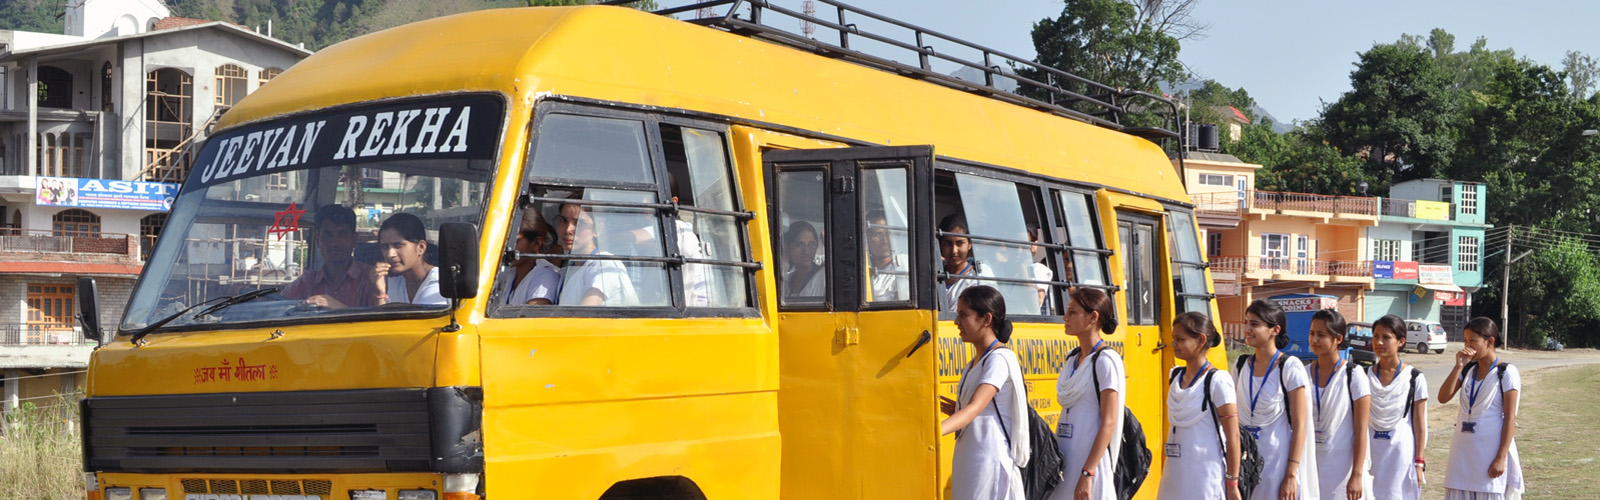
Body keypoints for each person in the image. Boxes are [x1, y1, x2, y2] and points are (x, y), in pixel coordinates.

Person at [939, 285, 1029, 500]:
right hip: (970, 458)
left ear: (986, 319)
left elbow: (974, 408)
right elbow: (976, 410)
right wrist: (957, 410)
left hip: (988, 459)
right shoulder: (974, 362)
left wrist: (931, 432)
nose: (956, 322)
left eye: (964, 315)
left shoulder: (999, 359)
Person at [1234, 299, 1318, 500]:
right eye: (1246, 323)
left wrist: (1291, 475)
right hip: (1245, 463)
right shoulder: (1240, 365)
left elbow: (1300, 426)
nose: (1247, 329)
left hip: (1277, 464)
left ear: (1275, 329)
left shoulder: (1290, 367)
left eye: (1255, 324)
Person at [1158, 311, 1243, 500]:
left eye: (1180, 339)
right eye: (1173, 338)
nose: (1173, 344)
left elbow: (1233, 436)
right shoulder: (1175, 376)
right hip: (1174, 476)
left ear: (1201, 340)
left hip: (1206, 478)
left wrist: (1232, 483)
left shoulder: (1218, 381)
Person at [1049, 287, 1123, 500]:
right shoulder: (1072, 359)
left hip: (1089, 466)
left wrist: (1088, 472)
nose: (1065, 318)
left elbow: (1108, 422)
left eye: (1072, 312)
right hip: (1065, 463)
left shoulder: (1105, 361)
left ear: (1093, 317)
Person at [1438, 317, 1523, 500]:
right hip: (1462, 454)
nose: (1467, 346)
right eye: (1465, 340)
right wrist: (1459, 366)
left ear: (1490, 341)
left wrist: (1501, 458)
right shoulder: (1468, 370)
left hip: (1489, 453)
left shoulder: (1506, 372)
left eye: (1473, 341)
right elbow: (1443, 398)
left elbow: (1510, 419)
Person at [1307, 309, 1370, 500]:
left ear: (1338, 338)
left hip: (1342, 469)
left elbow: (1361, 430)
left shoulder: (1353, 375)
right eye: (1312, 334)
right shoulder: (1302, 373)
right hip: (1310, 466)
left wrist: (1357, 475)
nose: (1315, 340)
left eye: (1321, 335)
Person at [1367, 314, 1429, 500]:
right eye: (1376, 336)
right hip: (1370, 454)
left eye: (1386, 337)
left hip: (1401, 454)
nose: (1379, 342)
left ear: (1401, 341)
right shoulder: (1362, 376)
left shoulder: (1414, 378)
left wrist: (1419, 463)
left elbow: (1419, 424)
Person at [283, 204, 378, 308]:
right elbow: (277, 307)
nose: (334, 243)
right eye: (328, 235)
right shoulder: (307, 282)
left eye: (342, 234)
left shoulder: (372, 279)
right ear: (317, 241)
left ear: (354, 240)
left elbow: (381, 321)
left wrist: (339, 309)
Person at [556, 196, 640, 306]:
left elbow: (584, 317)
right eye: (564, 220)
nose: (568, 230)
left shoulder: (604, 265)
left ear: (597, 230)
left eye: (579, 223)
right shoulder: (567, 271)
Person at [373, 212, 446, 306]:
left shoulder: (442, 283)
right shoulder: (393, 285)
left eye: (398, 245)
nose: (390, 254)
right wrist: (380, 293)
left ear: (421, 247)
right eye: (385, 247)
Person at [501, 209, 562, 305]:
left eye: (515, 241)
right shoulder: (511, 273)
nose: (507, 247)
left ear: (536, 244)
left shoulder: (545, 276)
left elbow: (530, 318)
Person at [939, 214, 994, 311]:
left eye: (960, 243)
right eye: (948, 244)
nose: (954, 250)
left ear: (969, 244)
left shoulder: (978, 277)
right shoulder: (936, 274)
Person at [865, 209, 908, 301]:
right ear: (866, 238)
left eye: (888, 234)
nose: (885, 240)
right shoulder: (863, 267)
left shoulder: (903, 269)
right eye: (877, 234)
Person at [781, 221, 825, 299]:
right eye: (799, 245)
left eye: (811, 245)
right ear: (788, 247)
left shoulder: (823, 277)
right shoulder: (785, 281)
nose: (806, 251)